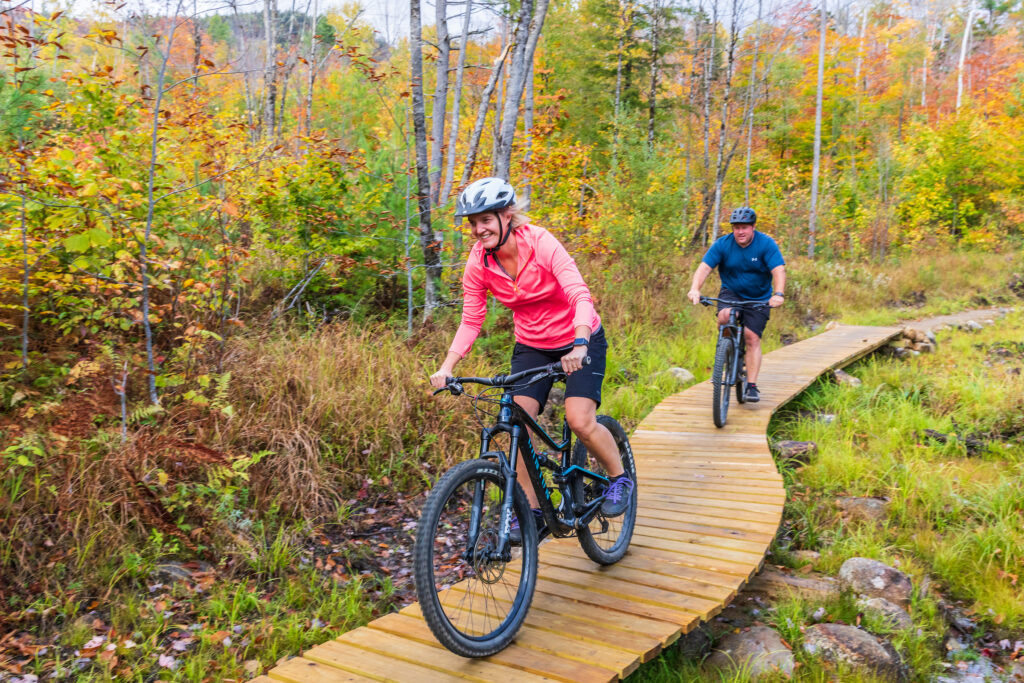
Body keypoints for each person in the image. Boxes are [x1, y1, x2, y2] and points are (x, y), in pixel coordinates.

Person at [429, 177, 633, 539]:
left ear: (507, 216)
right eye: (473, 223)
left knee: (579, 421)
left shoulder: (541, 242)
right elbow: (471, 319)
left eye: (486, 220)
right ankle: (534, 512)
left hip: (579, 337)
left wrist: (581, 343)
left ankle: (619, 479)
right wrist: (447, 367)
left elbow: (579, 294)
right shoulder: (479, 263)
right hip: (533, 346)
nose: (478, 229)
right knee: (516, 425)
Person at [686, 207, 786, 403]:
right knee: (724, 316)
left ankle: (752, 385)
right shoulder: (723, 244)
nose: (740, 232)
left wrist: (779, 294)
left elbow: (778, 270)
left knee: (751, 337)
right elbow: (704, 267)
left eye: (744, 228)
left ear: (753, 227)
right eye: (736, 228)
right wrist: (695, 289)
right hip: (731, 292)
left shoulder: (766, 244)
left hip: (759, 297)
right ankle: (725, 349)